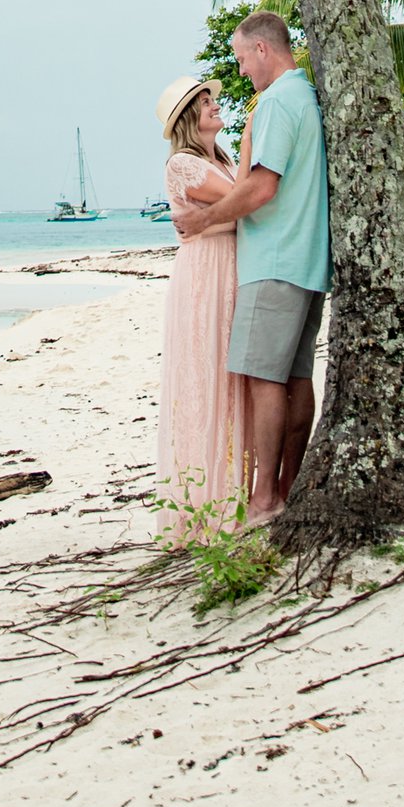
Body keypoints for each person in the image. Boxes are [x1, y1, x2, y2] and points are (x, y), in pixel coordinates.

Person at [172, 10, 328, 522]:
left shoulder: (279, 102)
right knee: (295, 378)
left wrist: (203, 222)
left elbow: (261, 188)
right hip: (305, 259)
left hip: (275, 258)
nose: (240, 70)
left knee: (265, 380)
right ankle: (287, 488)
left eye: (240, 57)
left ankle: (265, 499)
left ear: (262, 50)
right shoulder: (305, 95)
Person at [153, 73, 252, 537]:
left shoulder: (225, 159)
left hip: (231, 269)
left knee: (234, 381)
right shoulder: (182, 165)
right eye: (205, 101)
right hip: (205, 277)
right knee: (206, 379)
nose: (215, 105)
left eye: (213, 99)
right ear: (190, 118)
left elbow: (239, 202)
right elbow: (244, 200)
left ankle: (236, 494)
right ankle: (205, 504)